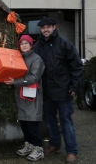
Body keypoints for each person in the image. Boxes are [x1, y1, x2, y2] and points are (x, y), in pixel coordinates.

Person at [34, 18, 83, 164]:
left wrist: (74, 87)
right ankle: (55, 144)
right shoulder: (37, 46)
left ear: (54, 27)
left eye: (48, 27)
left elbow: (77, 66)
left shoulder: (64, 43)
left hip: (63, 90)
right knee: (50, 121)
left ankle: (71, 151)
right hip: (46, 91)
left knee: (66, 121)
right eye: (43, 27)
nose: (45, 29)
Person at [4, 35, 45, 161]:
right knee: (24, 122)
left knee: (32, 122)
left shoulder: (36, 59)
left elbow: (34, 77)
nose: (25, 45)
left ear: (31, 45)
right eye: (22, 43)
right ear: (19, 46)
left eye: (27, 43)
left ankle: (38, 149)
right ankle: (29, 145)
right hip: (21, 94)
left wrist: (15, 82)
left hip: (32, 95)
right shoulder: (18, 57)